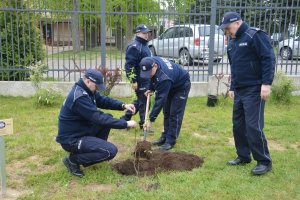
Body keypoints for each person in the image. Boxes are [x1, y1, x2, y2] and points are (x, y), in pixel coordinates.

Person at [219, 12, 276, 175]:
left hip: (255, 89)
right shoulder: (232, 42)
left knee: (253, 125)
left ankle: (264, 161)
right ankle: (243, 156)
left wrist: (266, 84)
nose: (227, 31)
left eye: (228, 28)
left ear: (237, 23)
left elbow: (268, 58)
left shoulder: (254, 35)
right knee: (238, 125)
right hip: (240, 90)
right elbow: (235, 67)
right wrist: (232, 87)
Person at [56, 69, 137, 177]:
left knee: (108, 118)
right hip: (72, 139)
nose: (98, 88)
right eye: (96, 86)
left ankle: (93, 150)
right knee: (110, 151)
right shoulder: (80, 97)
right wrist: (126, 124)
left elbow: (103, 100)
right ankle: (73, 160)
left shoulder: (88, 90)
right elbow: (99, 118)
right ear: (88, 81)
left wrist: (123, 105)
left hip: (81, 130)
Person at [141, 56, 191, 150]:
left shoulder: (164, 77)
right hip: (171, 83)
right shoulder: (149, 61)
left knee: (174, 113)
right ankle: (164, 137)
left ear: (155, 66)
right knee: (166, 112)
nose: (148, 75)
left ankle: (170, 140)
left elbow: (160, 100)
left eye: (149, 73)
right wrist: (150, 87)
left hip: (181, 86)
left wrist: (151, 119)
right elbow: (151, 77)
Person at [121, 24, 153, 131]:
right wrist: (133, 81)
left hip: (146, 79)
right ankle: (144, 125)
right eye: (144, 33)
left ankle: (125, 118)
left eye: (147, 33)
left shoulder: (144, 45)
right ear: (138, 33)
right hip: (140, 80)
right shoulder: (135, 47)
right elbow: (129, 65)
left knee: (141, 101)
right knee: (144, 102)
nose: (146, 35)